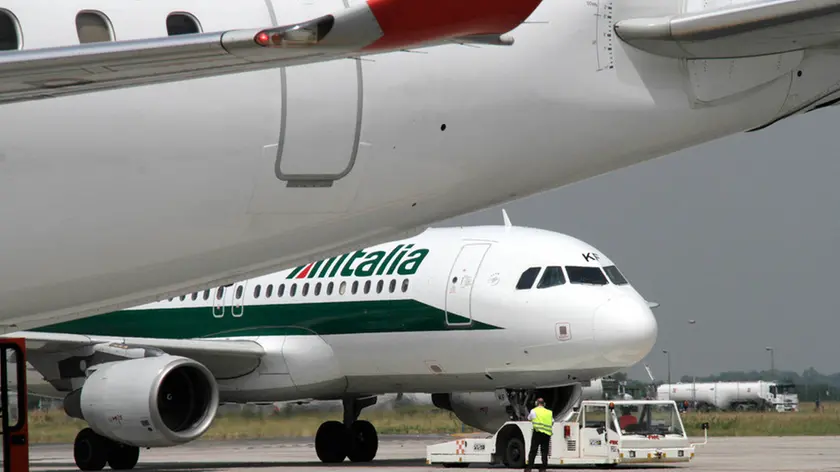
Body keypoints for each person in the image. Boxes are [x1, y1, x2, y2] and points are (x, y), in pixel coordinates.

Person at [524, 398, 553, 472]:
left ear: (536, 403)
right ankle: (543, 468)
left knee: (533, 450)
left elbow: (529, 418)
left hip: (537, 433)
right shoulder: (549, 412)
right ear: (544, 404)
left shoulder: (534, 411)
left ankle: (529, 468)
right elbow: (552, 421)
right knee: (544, 451)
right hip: (546, 434)